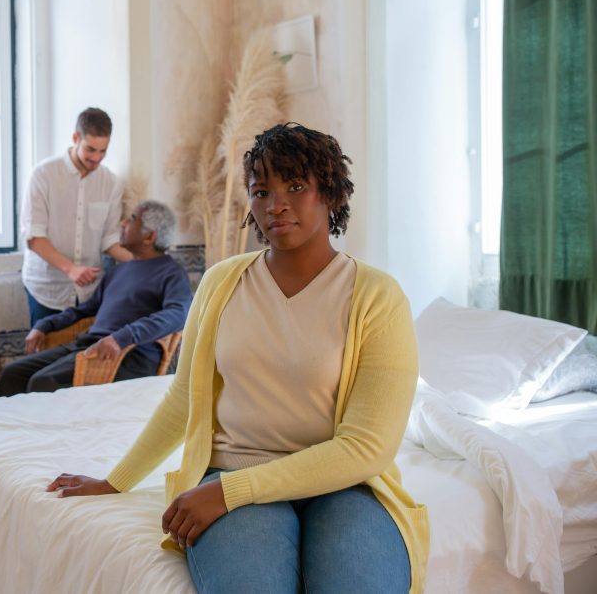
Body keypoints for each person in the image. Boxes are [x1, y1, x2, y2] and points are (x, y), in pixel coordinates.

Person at [46, 123, 429, 594]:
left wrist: (227, 494)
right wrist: (117, 480)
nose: (276, 205)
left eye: (295, 186)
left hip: (343, 486)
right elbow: (185, 395)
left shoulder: (377, 296)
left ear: (329, 193)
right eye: (261, 190)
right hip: (235, 467)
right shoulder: (222, 282)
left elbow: (367, 447)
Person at [0, 200, 192, 396]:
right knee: (15, 372)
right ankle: (2, 428)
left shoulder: (172, 273)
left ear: (149, 237)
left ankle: (34, 428)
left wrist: (121, 337)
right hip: (90, 346)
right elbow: (86, 310)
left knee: (44, 382)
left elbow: (178, 314)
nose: (123, 223)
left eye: (132, 219)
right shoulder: (119, 270)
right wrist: (44, 325)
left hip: (129, 355)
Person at [20, 107, 134, 327]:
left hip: (90, 292)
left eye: (103, 151)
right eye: (90, 149)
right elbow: (34, 237)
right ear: (75, 138)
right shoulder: (43, 175)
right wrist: (71, 269)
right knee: (44, 356)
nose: (96, 158)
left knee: (82, 359)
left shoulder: (111, 183)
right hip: (46, 287)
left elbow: (109, 240)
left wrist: (147, 261)